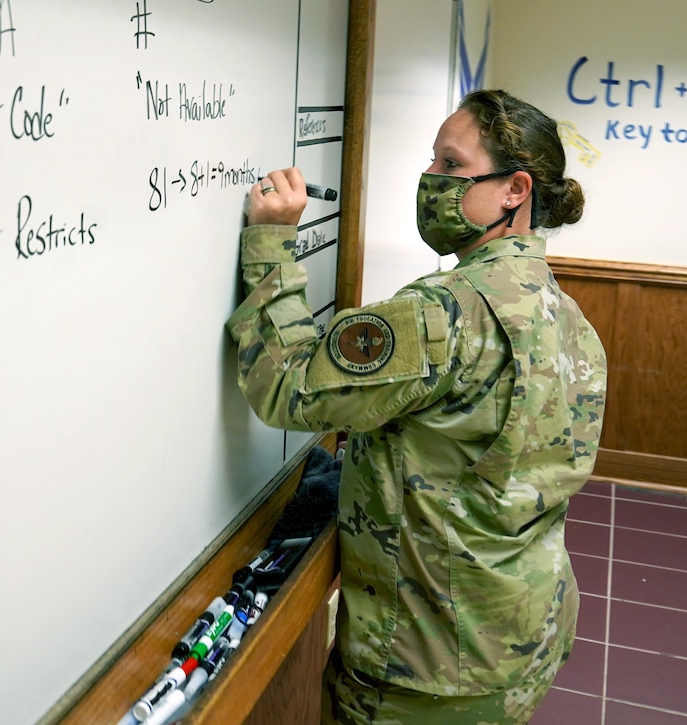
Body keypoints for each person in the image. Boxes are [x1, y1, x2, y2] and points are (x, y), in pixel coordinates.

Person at [226, 89, 607, 724]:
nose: (429, 178)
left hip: (427, 674)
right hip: (520, 635)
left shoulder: (446, 311)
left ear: (515, 189)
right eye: (431, 161)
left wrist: (270, 242)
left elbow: (285, 382)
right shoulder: (561, 311)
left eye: (450, 165)